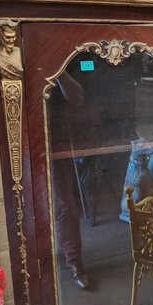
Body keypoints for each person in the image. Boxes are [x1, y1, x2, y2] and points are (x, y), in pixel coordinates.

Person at [51, 70, 90, 289]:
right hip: (25, 140)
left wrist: (58, 71)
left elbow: (77, 96)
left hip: (57, 143)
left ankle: (75, 262)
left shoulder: (60, 62)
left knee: (64, 205)